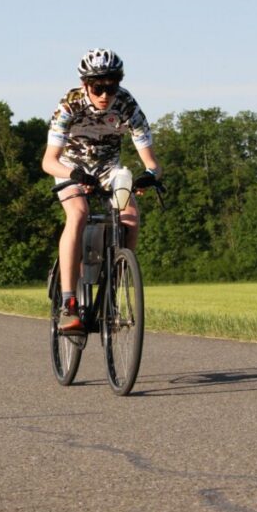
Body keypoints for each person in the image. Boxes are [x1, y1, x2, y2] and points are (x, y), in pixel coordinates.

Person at [41, 48, 162, 333]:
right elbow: (48, 161)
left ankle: (113, 291)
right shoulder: (69, 105)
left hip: (108, 170)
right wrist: (74, 174)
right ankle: (69, 304)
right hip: (72, 167)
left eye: (112, 86)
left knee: (131, 217)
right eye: (98, 88)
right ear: (85, 85)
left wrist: (148, 177)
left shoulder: (127, 106)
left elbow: (153, 164)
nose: (105, 95)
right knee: (78, 213)